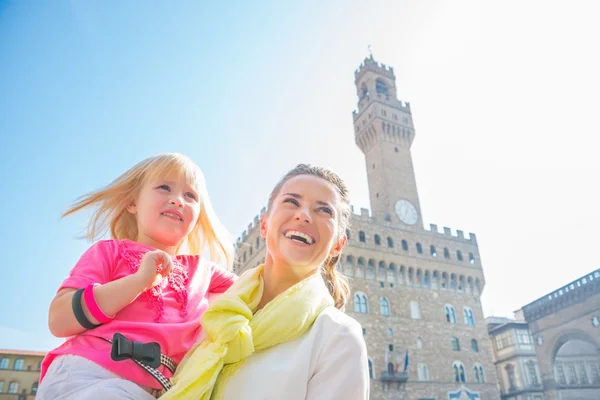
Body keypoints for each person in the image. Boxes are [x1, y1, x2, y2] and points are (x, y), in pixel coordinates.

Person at [36, 153, 236, 399]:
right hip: (87, 374)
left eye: (190, 196)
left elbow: (262, 287)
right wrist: (138, 283)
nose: (178, 200)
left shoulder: (204, 271)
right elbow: (59, 319)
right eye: (164, 187)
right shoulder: (110, 251)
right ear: (133, 203)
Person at [162, 164, 369, 400]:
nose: (303, 215)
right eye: (291, 202)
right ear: (264, 225)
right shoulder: (210, 313)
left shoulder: (337, 336)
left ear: (337, 246)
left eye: (324, 210)